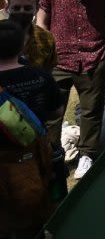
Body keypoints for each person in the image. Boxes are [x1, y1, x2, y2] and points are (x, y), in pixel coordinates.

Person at [36, 0, 105, 180]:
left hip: (93, 59)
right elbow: (41, 21)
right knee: (53, 112)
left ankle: (87, 154)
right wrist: (46, 52)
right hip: (58, 60)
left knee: (91, 111)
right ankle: (53, 154)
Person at [0, 19, 61, 238]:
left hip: (3, 165)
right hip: (35, 157)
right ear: (22, 45)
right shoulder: (41, 75)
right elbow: (55, 112)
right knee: (38, 215)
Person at [5, 0, 55, 73]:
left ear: (37, 9)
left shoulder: (46, 38)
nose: (21, 12)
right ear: (7, 8)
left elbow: (48, 71)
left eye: (27, 8)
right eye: (16, 8)